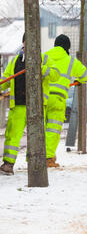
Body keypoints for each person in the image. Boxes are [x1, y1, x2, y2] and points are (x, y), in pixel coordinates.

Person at [0, 33, 60, 175]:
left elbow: (56, 75)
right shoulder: (15, 61)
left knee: (37, 136)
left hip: (37, 106)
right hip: (19, 105)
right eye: (28, 41)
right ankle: (8, 164)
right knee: (13, 135)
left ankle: (35, 163)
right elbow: (6, 79)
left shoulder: (44, 59)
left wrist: (43, 69)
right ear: (23, 42)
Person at [45, 34, 87, 167]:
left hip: (43, 98)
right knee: (53, 130)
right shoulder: (70, 61)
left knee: (40, 128)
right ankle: (48, 159)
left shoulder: (44, 56)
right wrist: (78, 81)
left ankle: (35, 157)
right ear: (67, 48)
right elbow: (86, 76)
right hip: (58, 99)